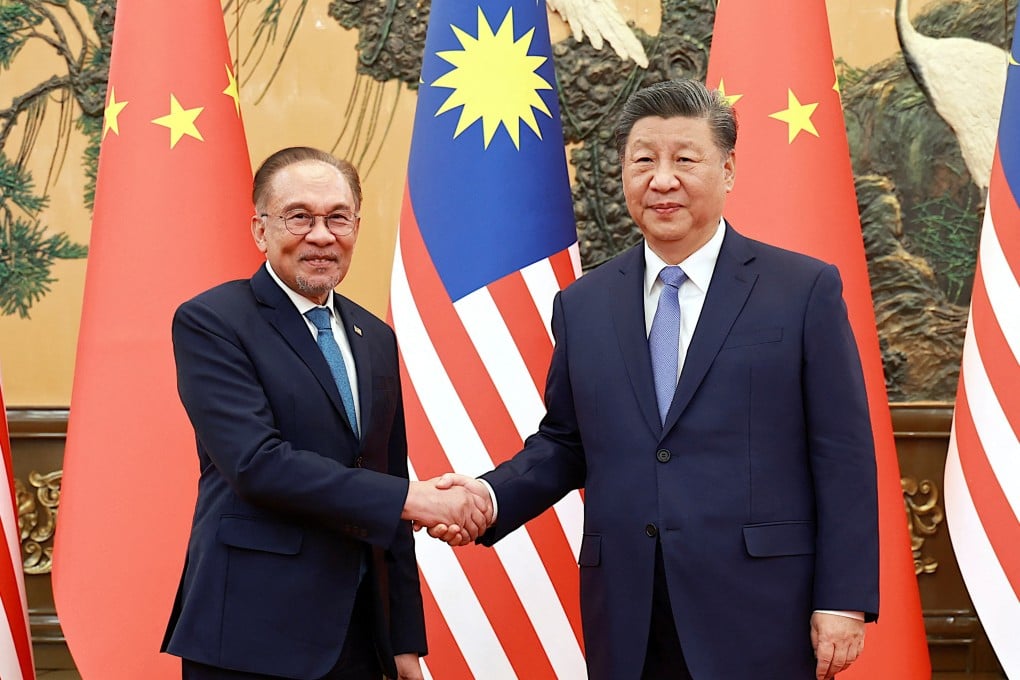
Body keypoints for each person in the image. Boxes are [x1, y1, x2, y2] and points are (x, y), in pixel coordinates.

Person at [429, 79, 880, 679]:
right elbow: (566, 443)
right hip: (630, 608)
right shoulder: (584, 304)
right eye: (643, 160)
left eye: (684, 160)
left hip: (762, 608)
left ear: (728, 170)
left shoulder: (801, 291)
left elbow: (842, 452)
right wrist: (486, 497)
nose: (661, 179)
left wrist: (843, 597)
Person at [161, 146, 488, 680]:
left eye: (338, 218)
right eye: (299, 217)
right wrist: (413, 498)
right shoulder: (212, 322)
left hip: (359, 638)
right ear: (260, 230)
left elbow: (385, 480)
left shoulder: (375, 337)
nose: (321, 235)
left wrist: (403, 641)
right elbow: (257, 465)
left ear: (356, 227)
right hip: (250, 635)